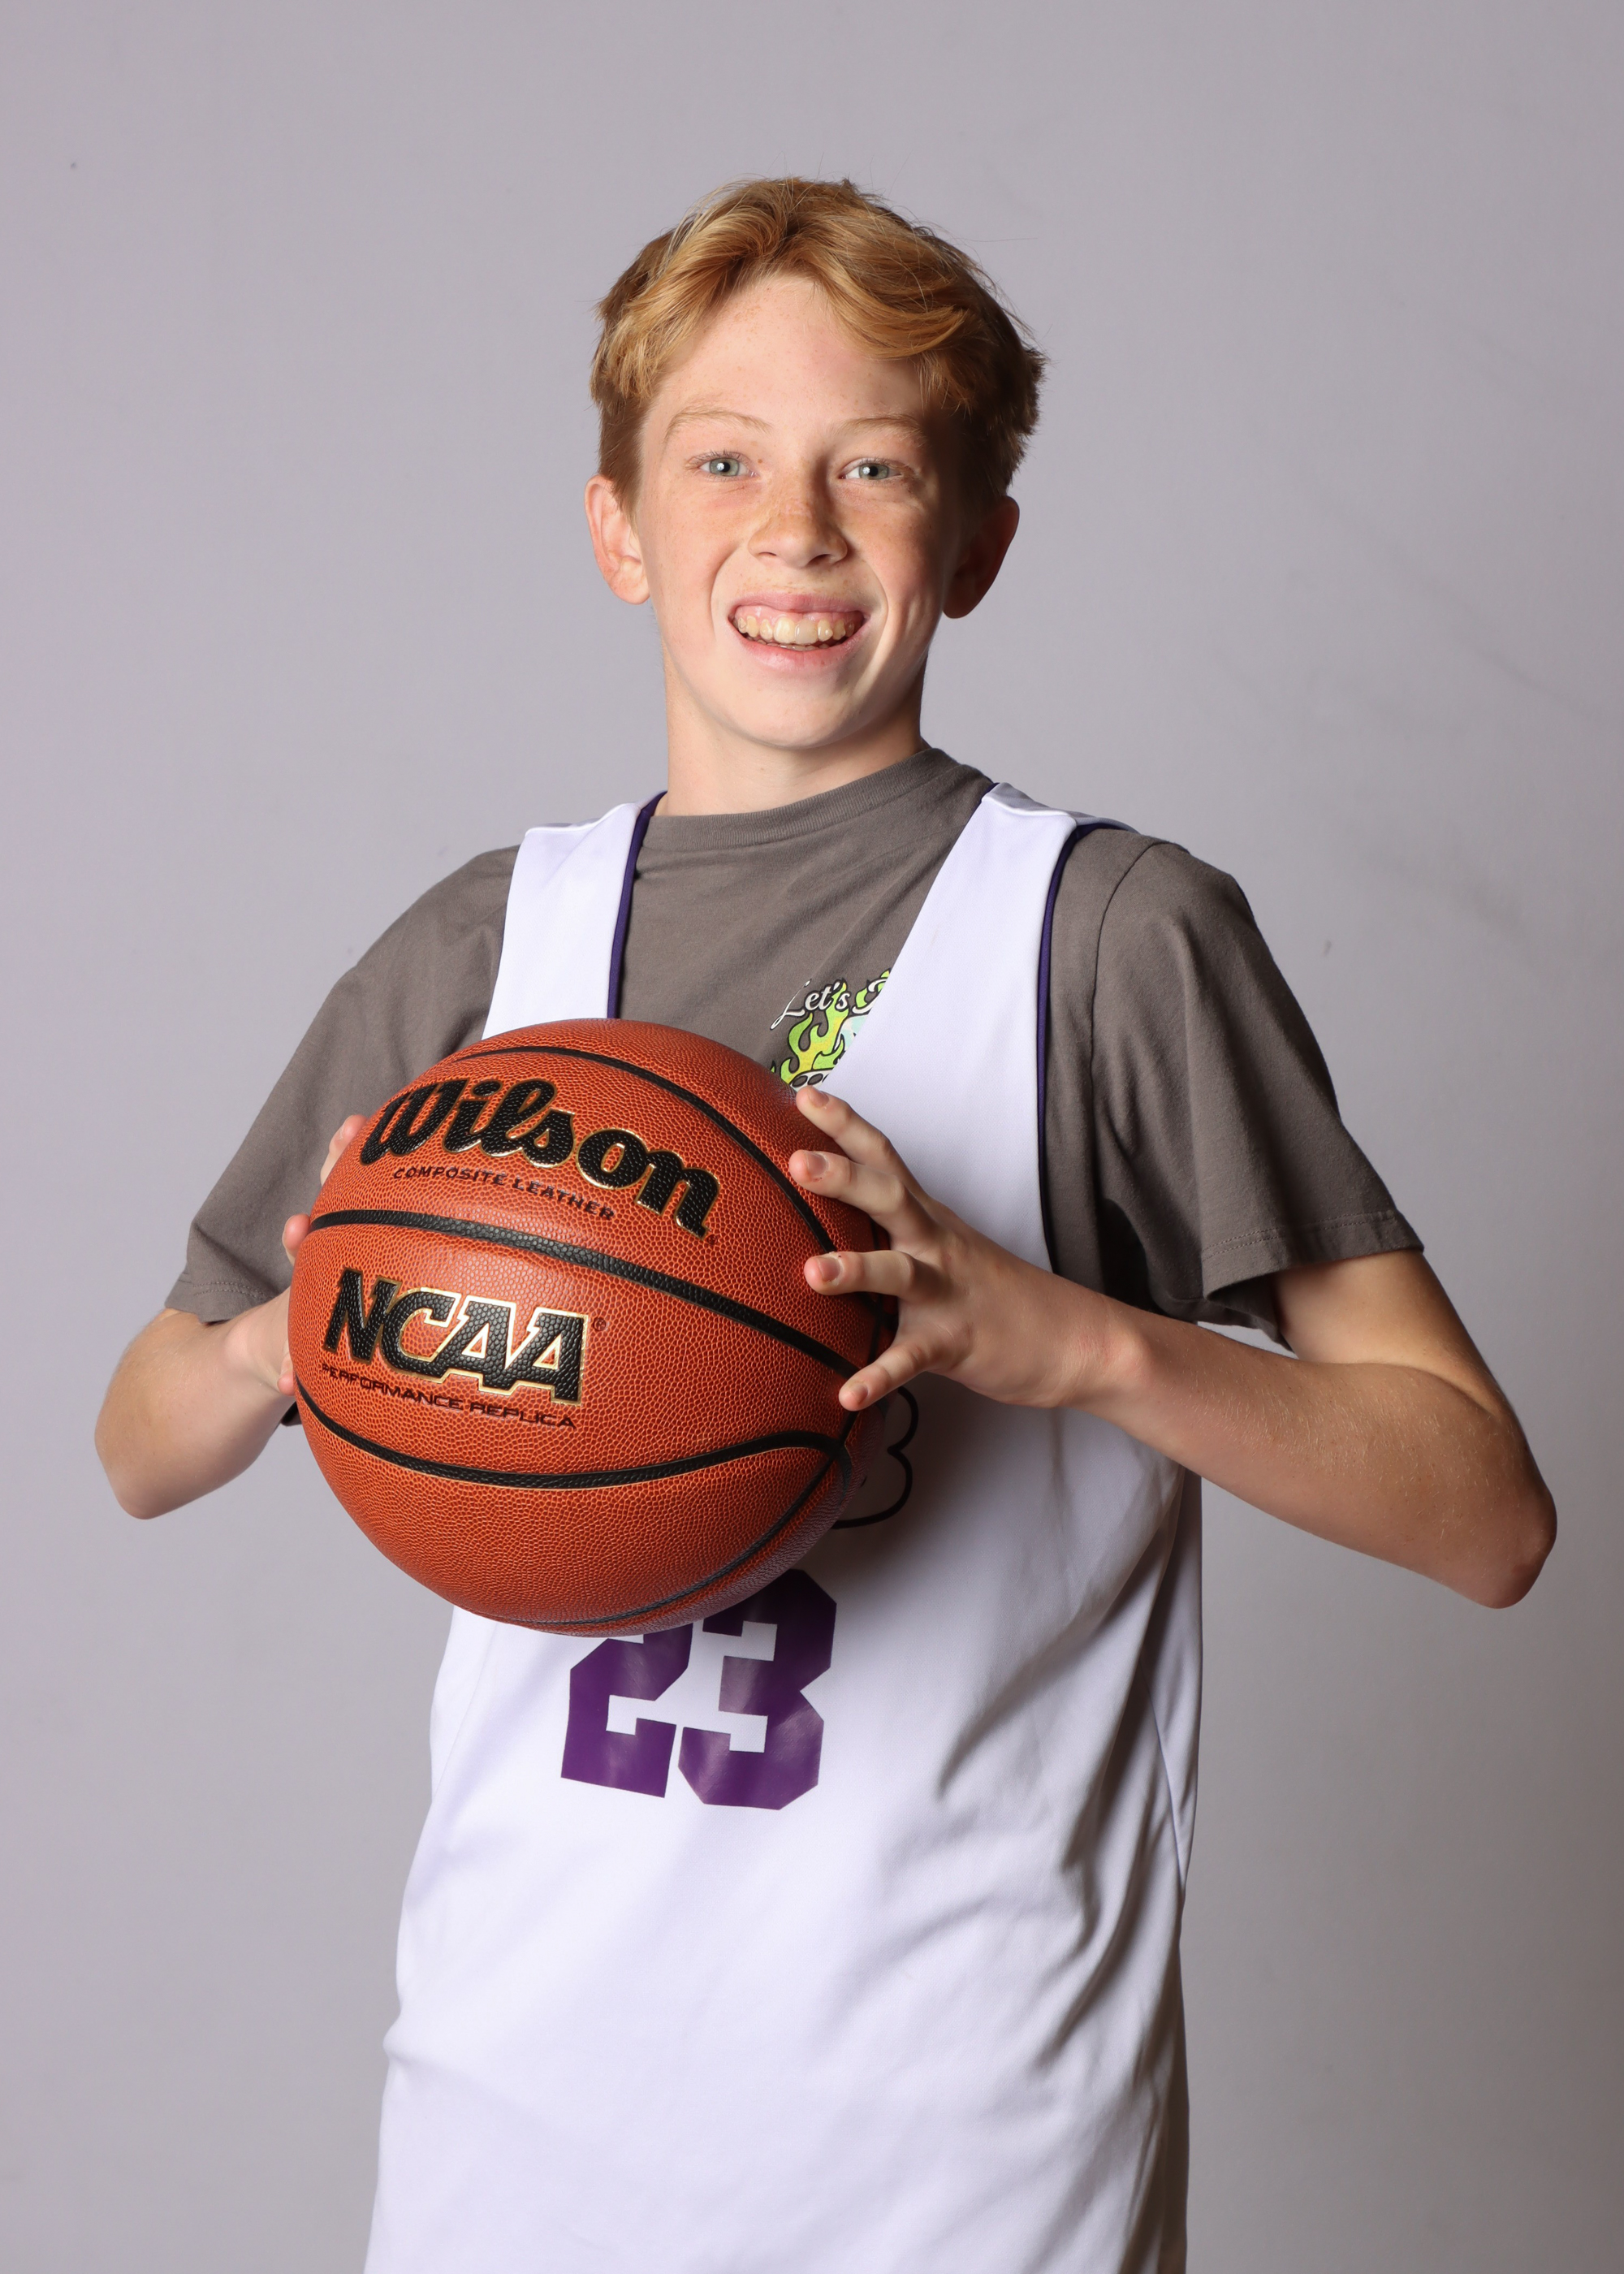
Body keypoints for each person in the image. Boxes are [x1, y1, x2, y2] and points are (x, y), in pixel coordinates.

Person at [95, 178, 1554, 2273]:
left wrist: (1076, 1341)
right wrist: (299, 1330)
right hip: (510, 2110)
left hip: (965, 2150)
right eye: (722, 462)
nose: (795, 529)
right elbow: (142, 1441)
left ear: (978, 544)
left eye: (873, 467)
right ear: (617, 527)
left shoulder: (1109, 938)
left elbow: (1486, 1516)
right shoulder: (493, 945)